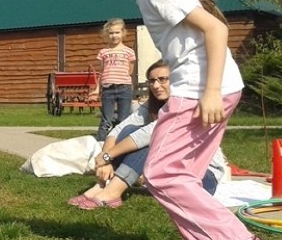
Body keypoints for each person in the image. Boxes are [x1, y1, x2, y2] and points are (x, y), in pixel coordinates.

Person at [112, 0, 272, 240]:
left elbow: (217, 29)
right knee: (184, 175)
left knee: (163, 174)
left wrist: (211, 90)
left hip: (200, 91)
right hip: (213, 88)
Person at [69, 61, 225, 213]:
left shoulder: (188, 105)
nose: (156, 86)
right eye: (152, 81)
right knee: (130, 128)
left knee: (152, 139)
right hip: (172, 170)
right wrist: (105, 162)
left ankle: (113, 191)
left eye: (163, 79)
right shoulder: (154, 104)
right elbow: (119, 129)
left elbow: (148, 134)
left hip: (202, 176)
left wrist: (107, 155)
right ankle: (104, 186)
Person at [90, 18, 136, 141]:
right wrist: (97, 89)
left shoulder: (129, 52)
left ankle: (121, 145)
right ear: (107, 34)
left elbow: (130, 70)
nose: (114, 36)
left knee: (123, 120)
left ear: (123, 33)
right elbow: (102, 71)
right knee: (106, 120)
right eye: (111, 33)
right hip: (107, 88)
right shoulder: (104, 52)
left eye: (117, 32)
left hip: (124, 88)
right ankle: (100, 145)